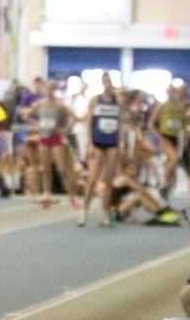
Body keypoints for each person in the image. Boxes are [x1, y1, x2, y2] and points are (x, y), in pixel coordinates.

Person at [21, 80, 78, 208]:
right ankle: (47, 195)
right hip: (44, 137)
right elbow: (26, 115)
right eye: (48, 89)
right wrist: (37, 125)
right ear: (45, 90)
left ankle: (72, 196)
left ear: (54, 90)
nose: (50, 91)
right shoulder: (40, 104)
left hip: (56, 137)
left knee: (62, 168)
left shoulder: (59, 105)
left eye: (52, 89)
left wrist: (65, 128)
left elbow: (73, 117)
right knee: (46, 169)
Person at [79, 72, 122, 227]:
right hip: (98, 141)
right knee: (93, 178)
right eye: (105, 81)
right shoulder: (95, 100)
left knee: (109, 180)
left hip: (112, 141)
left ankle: (103, 212)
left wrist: (121, 144)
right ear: (102, 83)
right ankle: (83, 211)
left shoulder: (118, 101)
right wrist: (89, 144)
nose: (107, 83)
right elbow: (89, 123)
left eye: (109, 81)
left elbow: (120, 124)